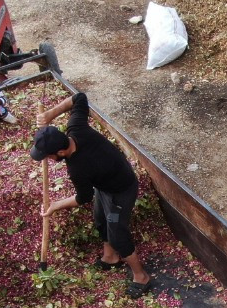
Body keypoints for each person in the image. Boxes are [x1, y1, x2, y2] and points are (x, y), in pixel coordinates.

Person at [31, 92, 152, 297]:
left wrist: (54, 206)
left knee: (117, 234)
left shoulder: (78, 168)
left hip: (120, 190)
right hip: (105, 184)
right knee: (100, 220)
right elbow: (79, 98)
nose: (48, 160)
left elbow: (83, 198)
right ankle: (110, 257)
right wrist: (51, 113)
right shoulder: (76, 128)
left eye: (48, 156)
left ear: (60, 152)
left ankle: (141, 277)